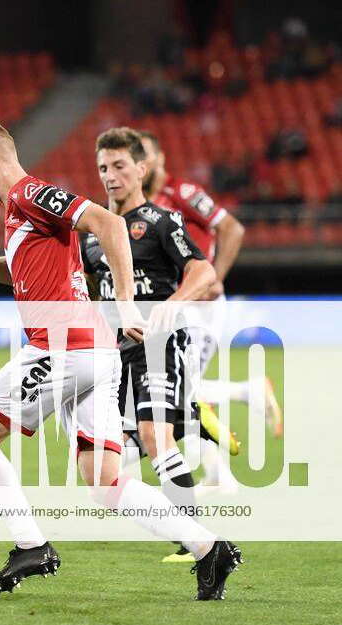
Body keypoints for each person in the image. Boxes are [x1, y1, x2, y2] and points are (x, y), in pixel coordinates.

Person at [0, 119, 241, 600]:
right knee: (105, 481)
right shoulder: (19, 214)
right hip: (97, 353)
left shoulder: (29, 194)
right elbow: (19, 271)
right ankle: (210, 548)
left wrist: (126, 301)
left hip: (64, 346)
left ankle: (31, 545)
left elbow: (108, 223)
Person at [83, 127, 223, 563]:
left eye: (120, 166)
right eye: (103, 167)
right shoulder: (93, 233)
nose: (110, 175)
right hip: (113, 356)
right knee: (112, 460)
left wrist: (174, 303)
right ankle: (194, 421)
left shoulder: (162, 222)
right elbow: (88, 288)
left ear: (142, 169)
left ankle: (196, 541)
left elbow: (204, 272)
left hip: (160, 345)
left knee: (155, 436)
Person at [140, 131, 282, 484]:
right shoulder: (145, 204)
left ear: (160, 158)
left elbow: (231, 228)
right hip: (176, 305)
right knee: (182, 391)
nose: (142, 164)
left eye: (146, 155)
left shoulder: (184, 193)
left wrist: (215, 277)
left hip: (200, 307)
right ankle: (220, 461)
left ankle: (245, 399)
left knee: (181, 391)